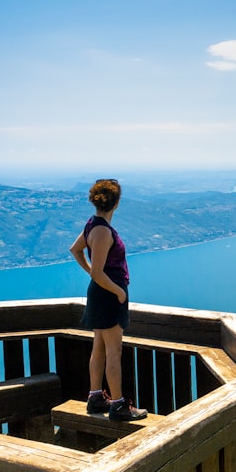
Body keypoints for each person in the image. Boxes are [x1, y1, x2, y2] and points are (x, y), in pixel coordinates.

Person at [69, 178, 147, 421]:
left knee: (100, 347)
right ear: (116, 203)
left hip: (100, 293)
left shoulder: (93, 225)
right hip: (109, 295)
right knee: (114, 352)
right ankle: (119, 405)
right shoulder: (102, 231)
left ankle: (95, 398)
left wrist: (93, 273)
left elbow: (76, 250)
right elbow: (98, 272)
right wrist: (118, 292)